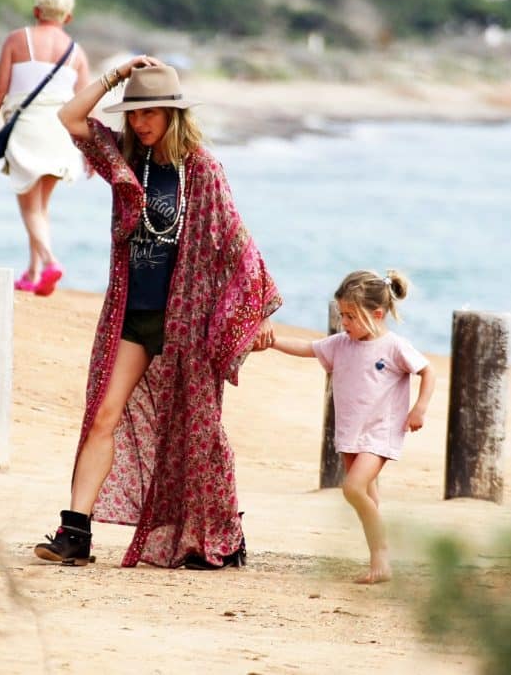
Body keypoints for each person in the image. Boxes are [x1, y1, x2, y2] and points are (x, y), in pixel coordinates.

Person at [34, 58, 281, 569]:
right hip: (133, 315)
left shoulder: (202, 168)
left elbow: (236, 242)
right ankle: (74, 533)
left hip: (188, 320)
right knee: (103, 414)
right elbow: (71, 119)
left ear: (173, 114)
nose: (140, 122)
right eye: (133, 113)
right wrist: (116, 76)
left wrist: (255, 312)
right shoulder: (126, 158)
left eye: (150, 113)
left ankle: (221, 535)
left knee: (199, 430)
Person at [265, 269, 435, 584]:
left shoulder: (394, 346)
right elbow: (308, 348)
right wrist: (272, 342)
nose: (344, 322)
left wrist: (419, 408)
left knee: (353, 488)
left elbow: (428, 371)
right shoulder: (342, 344)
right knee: (368, 498)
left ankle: (381, 553)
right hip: (350, 434)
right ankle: (379, 562)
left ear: (377, 314)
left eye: (351, 317)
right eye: (342, 315)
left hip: (380, 432)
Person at [0, 0, 90, 296]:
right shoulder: (76, 52)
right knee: (40, 206)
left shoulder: (17, 39)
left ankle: (50, 261)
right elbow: (83, 104)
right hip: (59, 132)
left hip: (27, 128)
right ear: (68, 17)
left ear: (36, 10)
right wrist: (89, 149)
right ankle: (35, 273)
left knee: (29, 206)